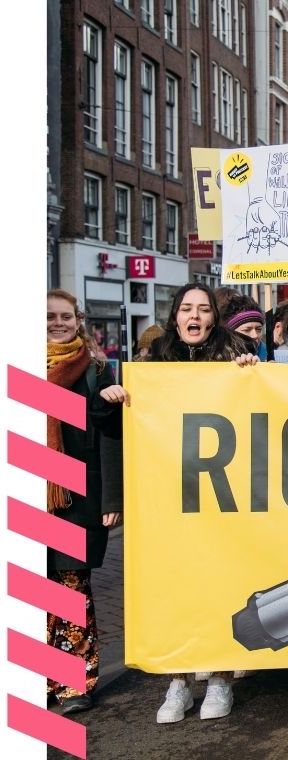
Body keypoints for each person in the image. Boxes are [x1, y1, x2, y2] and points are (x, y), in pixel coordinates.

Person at [98, 283, 258, 723]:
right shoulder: (154, 364)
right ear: (175, 317)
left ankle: (220, 677)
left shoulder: (234, 358)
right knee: (174, 587)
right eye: (187, 308)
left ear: (213, 318)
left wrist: (252, 374)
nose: (195, 316)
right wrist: (115, 402)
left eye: (203, 309)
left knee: (222, 584)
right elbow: (120, 432)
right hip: (170, 500)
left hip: (224, 502)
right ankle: (179, 681)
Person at [45, 290, 123, 714]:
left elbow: (110, 438)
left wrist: (112, 496)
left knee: (72, 586)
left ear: (77, 321)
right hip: (30, 495)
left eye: (65, 317)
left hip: (76, 496)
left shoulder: (95, 370)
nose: (58, 323)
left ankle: (76, 683)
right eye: (49, 317)